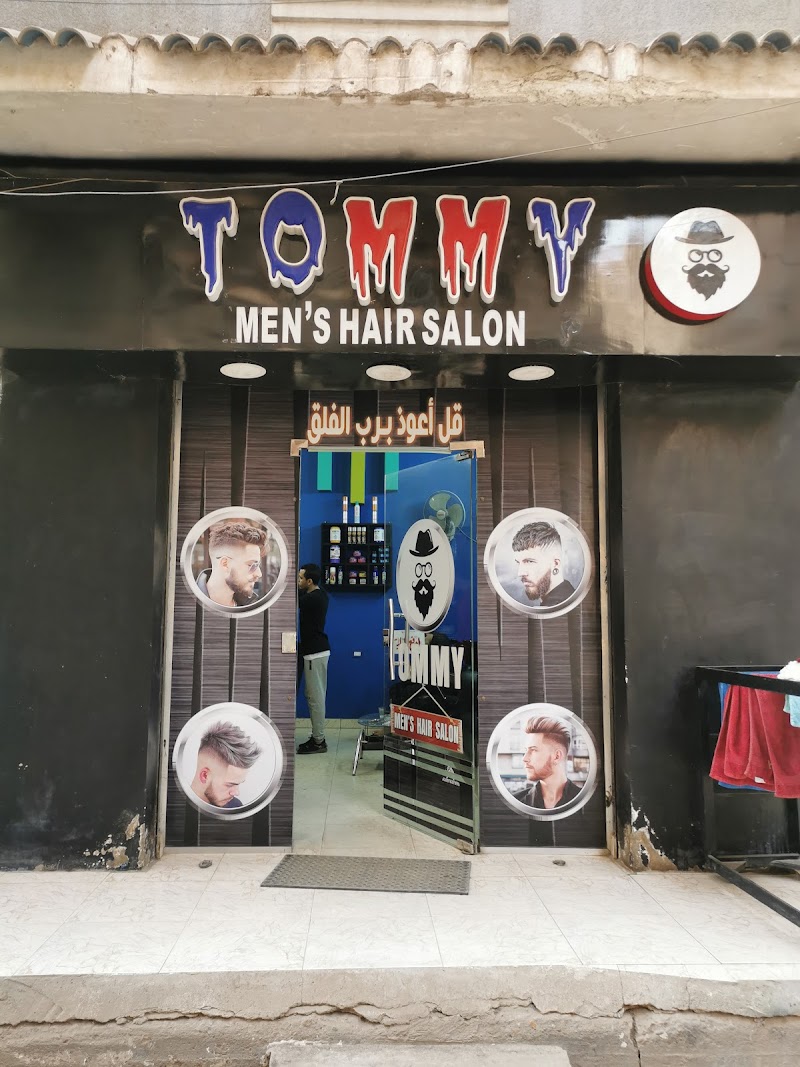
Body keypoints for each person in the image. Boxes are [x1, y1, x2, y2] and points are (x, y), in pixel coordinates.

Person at [512, 715, 582, 809]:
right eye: (526, 750)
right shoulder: (516, 802)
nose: (524, 758)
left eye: (533, 750)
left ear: (557, 756)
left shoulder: (586, 802)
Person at [297, 562, 330, 754]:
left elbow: (294, 597)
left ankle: (319, 741)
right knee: (313, 696)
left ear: (309, 581)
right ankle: (318, 737)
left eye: (300, 578)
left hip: (314, 653)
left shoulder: (312, 599)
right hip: (316, 651)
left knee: (315, 698)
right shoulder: (320, 594)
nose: (298, 581)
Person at [196, 520, 266, 610]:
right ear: (225, 564)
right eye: (251, 565)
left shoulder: (255, 607)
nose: (259, 574)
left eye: (257, 565)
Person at [190, 721, 262, 809]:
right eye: (230, 785)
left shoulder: (235, 806)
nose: (236, 793)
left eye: (238, 784)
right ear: (204, 776)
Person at [511, 521, 575, 608]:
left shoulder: (557, 609)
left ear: (555, 564)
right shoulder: (568, 595)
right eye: (518, 563)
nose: (520, 573)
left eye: (530, 561)